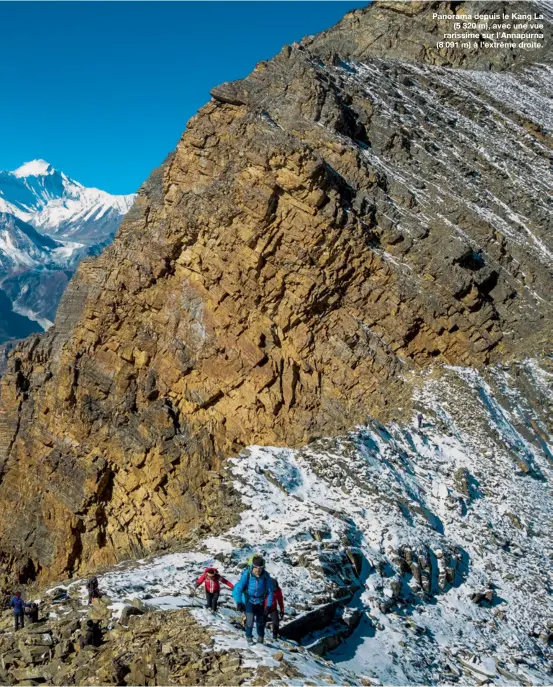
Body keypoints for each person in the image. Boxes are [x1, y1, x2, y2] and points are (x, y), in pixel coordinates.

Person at [233, 555, 273, 645]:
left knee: (260, 621)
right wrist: (239, 601)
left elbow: (270, 591)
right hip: (249, 600)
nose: (258, 570)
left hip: (260, 601)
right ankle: (249, 637)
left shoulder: (266, 576)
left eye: (260, 568)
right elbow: (239, 588)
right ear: (252, 566)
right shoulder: (247, 574)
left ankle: (260, 638)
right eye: (256, 567)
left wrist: (269, 605)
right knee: (250, 620)